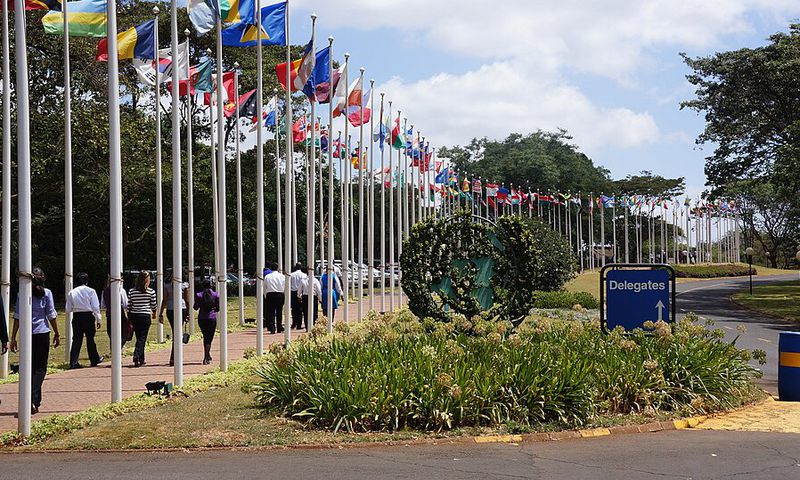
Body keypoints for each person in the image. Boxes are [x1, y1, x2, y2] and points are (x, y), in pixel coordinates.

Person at [10, 266, 60, 414]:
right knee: (40, 368)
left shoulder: (22, 293)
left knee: (30, 368)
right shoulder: (47, 293)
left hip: (27, 334)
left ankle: (33, 400)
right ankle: (33, 398)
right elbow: (51, 315)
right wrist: (57, 333)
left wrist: (13, 337)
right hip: (42, 334)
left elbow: (18, 316)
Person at [65, 272, 103, 369]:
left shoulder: (72, 292)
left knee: (76, 340)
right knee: (90, 339)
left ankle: (73, 362)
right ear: (87, 281)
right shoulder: (91, 291)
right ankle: (94, 359)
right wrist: (99, 319)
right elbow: (95, 306)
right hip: (88, 316)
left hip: (77, 316)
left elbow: (68, 309)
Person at [158, 269, 189, 367]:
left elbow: (164, 300)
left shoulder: (167, 285)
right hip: (182, 308)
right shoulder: (185, 285)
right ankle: (174, 357)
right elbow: (187, 299)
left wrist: (161, 313)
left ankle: (174, 356)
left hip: (171, 310)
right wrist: (188, 313)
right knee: (177, 333)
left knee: (176, 332)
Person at [127, 271, 156, 367]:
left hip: (135, 315)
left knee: (139, 337)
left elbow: (129, 305)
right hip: (145, 315)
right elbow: (153, 305)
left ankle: (141, 358)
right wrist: (154, 313)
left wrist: (129, 317)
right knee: (142, 338)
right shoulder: (151, 291)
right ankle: (137, 355)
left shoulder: (132, 291)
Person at [194, 280, 219, 365]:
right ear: (211, 285)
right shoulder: (215, 295)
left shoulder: (199, 295)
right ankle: (206, 356)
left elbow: (195, 307)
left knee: (205, 336)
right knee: (209, 338)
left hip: (202, 318)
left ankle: (207, 355)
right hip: (211, 318)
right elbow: (218, 308)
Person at [101, 275, 130, 347]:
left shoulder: (105, 290)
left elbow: (103, 305)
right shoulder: (121, 290)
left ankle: (114, 350)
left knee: (111, 334)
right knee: (125, 332)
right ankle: (117, 347)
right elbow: (126, 304)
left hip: (109, 314)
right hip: (120, 314)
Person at [264, 263, 285, 334]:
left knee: (271, 312)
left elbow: (264, 287)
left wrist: (265, 295)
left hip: (270, 294)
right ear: (278, 268)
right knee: (279, 311)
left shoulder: (267, 277)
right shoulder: (282, 276)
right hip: (280, 294)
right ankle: (279, 327)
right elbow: (284, 286)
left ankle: (272, 328)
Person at [289, 263, 307, 330]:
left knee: (293, 309)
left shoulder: (291, 275)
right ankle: (299, 324)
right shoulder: (304, 275)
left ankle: (294, 323)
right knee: (300, 309)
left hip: (293, 292)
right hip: (301, 292)